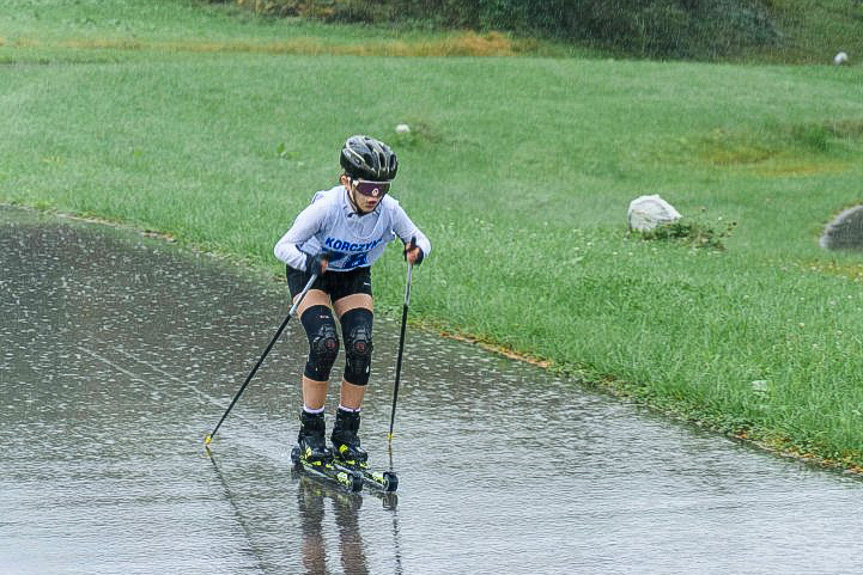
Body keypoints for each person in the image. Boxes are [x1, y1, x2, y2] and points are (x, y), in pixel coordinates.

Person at [274, 135, 430, 464]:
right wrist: (308, 262)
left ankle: (346, 434)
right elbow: (283, 246)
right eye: (366, 188)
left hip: (352, 275)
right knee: (325, 344)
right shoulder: (326, 208)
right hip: (312, 273)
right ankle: (310, 434)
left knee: (360, 346)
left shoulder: (390, 210)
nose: (374, 196)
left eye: (381, 189)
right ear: (346, 181)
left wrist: (416, 250)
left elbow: (419, 238)